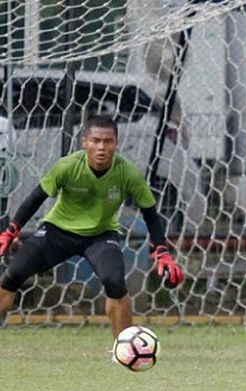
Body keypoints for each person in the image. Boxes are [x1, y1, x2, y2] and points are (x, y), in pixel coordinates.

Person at [0, 115, 184, 339]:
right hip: (56, 231)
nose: (101, 147)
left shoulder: (128, 173)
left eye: (108, 141)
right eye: (96, 140)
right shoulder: (67, 166)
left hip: (100, 236)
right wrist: (11, 231)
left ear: (116, 143)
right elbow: (35, 198)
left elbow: (150, 212)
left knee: (115, 283)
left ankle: (124, 347)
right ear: (84, 142)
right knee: (13, 275)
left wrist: (161, 250)